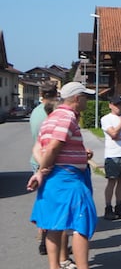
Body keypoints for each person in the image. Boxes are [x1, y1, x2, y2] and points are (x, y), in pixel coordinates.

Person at [28, 81, 115, 269]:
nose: (87, 100)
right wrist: (44, 168)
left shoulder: (52, 117)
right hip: (68, 178)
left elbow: (39, 147)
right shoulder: (67, 117)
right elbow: (55, 145)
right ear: (77, 98)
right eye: (85, 96)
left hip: (55, 178)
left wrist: (42, 170)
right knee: (80, 223)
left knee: (54, 225)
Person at [29, 81, 65, 257]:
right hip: (49, 160)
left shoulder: (35, 111)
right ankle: (49, 243)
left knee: (43, 200)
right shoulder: (52, 112)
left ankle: (42, 235)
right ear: (56, 93)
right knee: (54, 205)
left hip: (36, 159)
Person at [101, 95, 121, 220]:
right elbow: (113, 134)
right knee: (112, 181)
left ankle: (119, 205)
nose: (118, 107)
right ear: (110, 105)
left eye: (120, 105)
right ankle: (108, 207)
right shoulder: (106, 119)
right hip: (113, 154)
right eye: (116, 105)